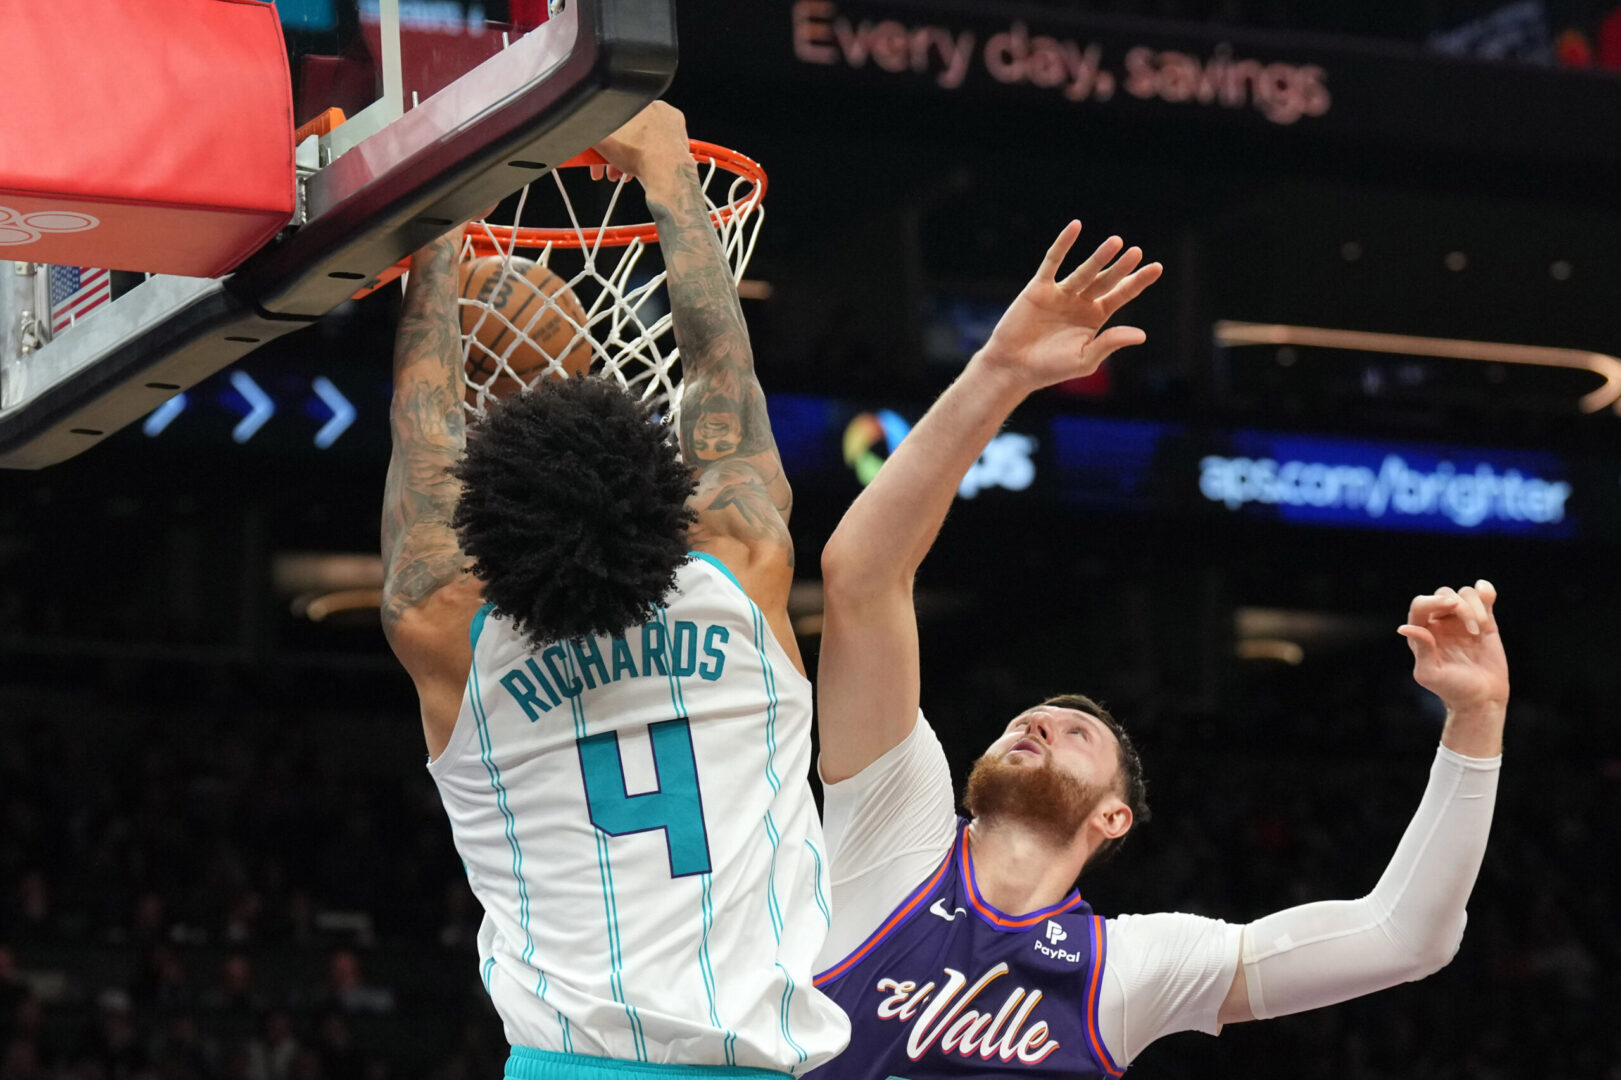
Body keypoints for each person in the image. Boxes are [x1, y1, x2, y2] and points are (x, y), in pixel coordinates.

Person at [809, 222, 1506, 1077]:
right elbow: (862, 578)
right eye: (1030, 719)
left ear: (1114, 818)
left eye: (1076, 735)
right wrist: (997, 373)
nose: (1036, 721)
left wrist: (1476, 717)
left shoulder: (1131, 968)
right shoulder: (894, 832)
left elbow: (1404, 936)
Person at [381, 101, 848, 1077]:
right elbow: (722, 372)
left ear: (480, 523)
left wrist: (435, 235)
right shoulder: (739, 568)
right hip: (757, 1059)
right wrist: (667, 166)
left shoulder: (448, 627)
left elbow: (423, 446)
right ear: (665, 482)